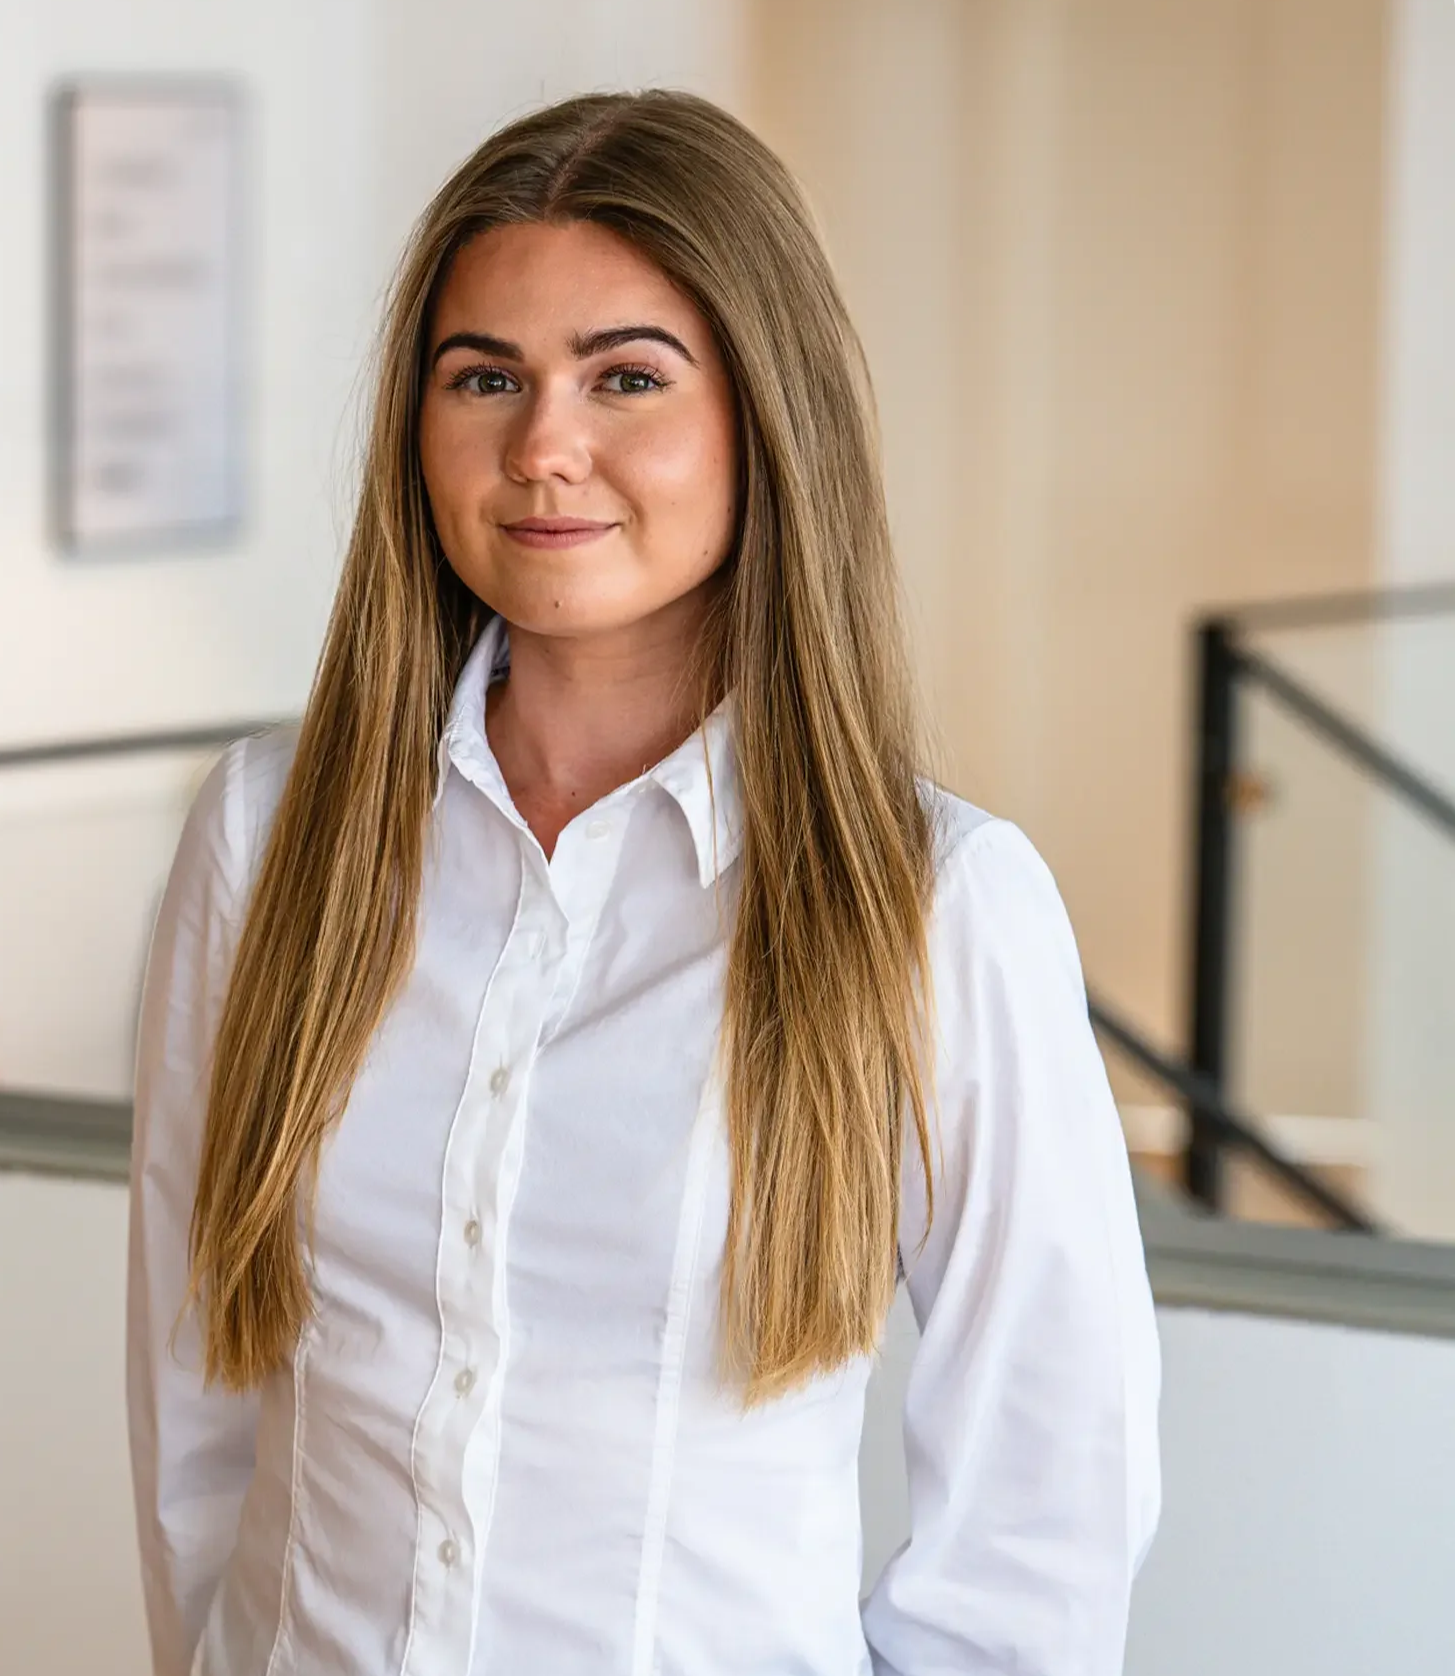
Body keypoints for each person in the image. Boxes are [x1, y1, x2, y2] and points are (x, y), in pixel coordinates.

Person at [127, 90, 1161, 1676]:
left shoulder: (942, 908)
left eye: (626, 377)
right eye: (486, 379)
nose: (545, 447)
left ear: (766, 414)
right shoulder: (269, 842)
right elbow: (201, 1395)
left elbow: (1044, 1516)